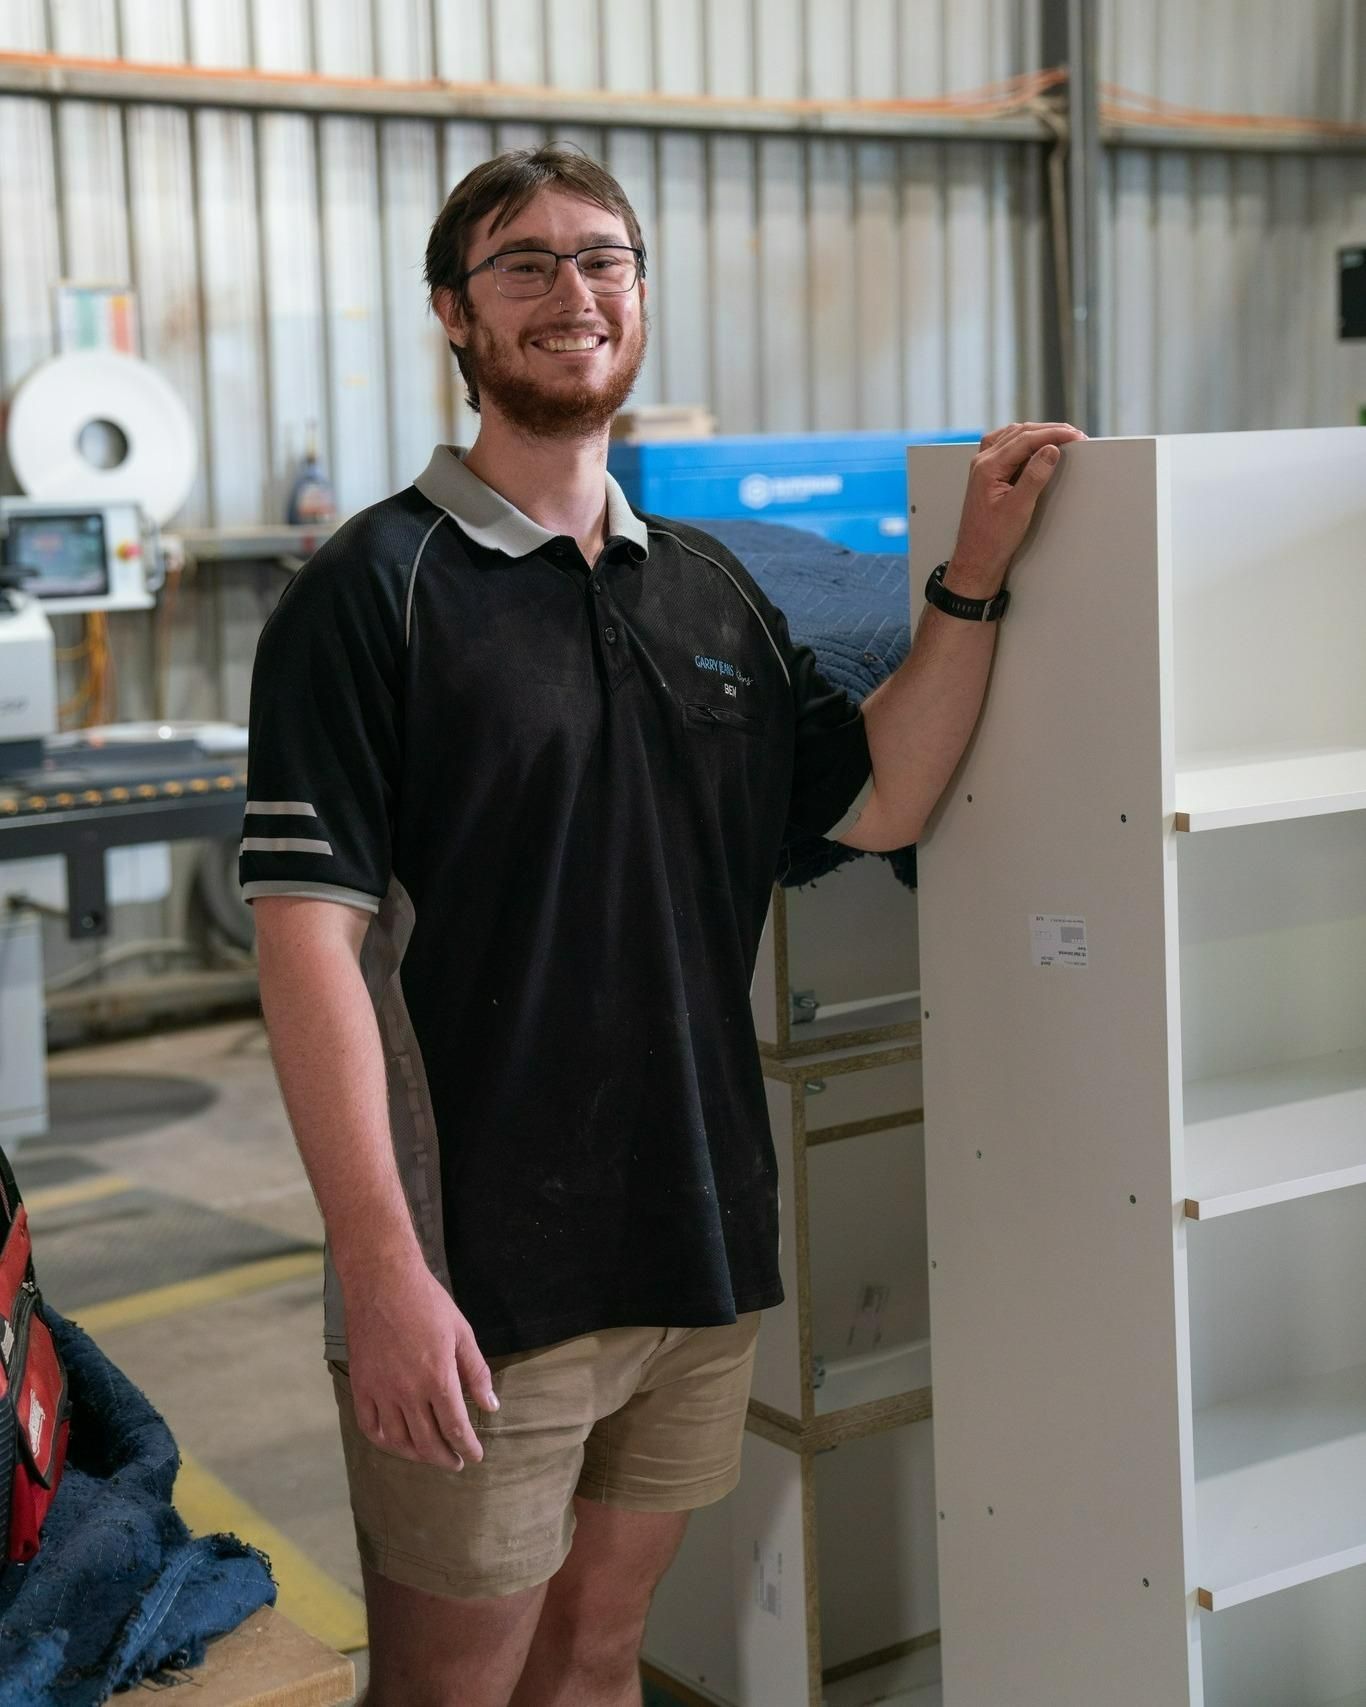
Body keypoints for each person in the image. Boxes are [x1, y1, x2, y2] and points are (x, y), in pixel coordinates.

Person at [240, 143, 1083, 1707]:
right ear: (454, 314)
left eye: (604, 260)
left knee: (601, 1656)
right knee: (450, 1691)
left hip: (696, 1240)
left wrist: (971, 574)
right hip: (479, 1280)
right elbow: (308, 947)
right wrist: (380, 1268)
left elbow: (881, 800)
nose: (575, 293)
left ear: (640, 295)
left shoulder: (706, 592)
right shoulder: (371, 592)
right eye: (525, 265)